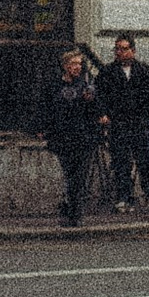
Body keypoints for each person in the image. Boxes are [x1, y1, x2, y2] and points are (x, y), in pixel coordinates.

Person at [97, 33, 149, 211]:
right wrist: (103, 114)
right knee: (121, 162)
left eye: (123, 49)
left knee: (147, 160)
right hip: (119, 124)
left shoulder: (146, 71)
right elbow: (99, 97)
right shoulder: (107, 72)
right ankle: (124, 197)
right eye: (117, 49)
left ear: (133, 51)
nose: (119, 52)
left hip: (141, 123)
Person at [43, 46, 104, 229]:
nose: (78, 67)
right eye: (74, 64)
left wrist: (92, 101)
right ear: (65, 66)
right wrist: (43, 128)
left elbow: (98, 108)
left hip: (83, 136)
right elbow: (47, 108)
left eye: (80, 63)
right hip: (63, 137)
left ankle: (75, 214)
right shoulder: (55, 85)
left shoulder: (87, 84)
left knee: (80, 176)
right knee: (70, 174)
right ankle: (70, 208)